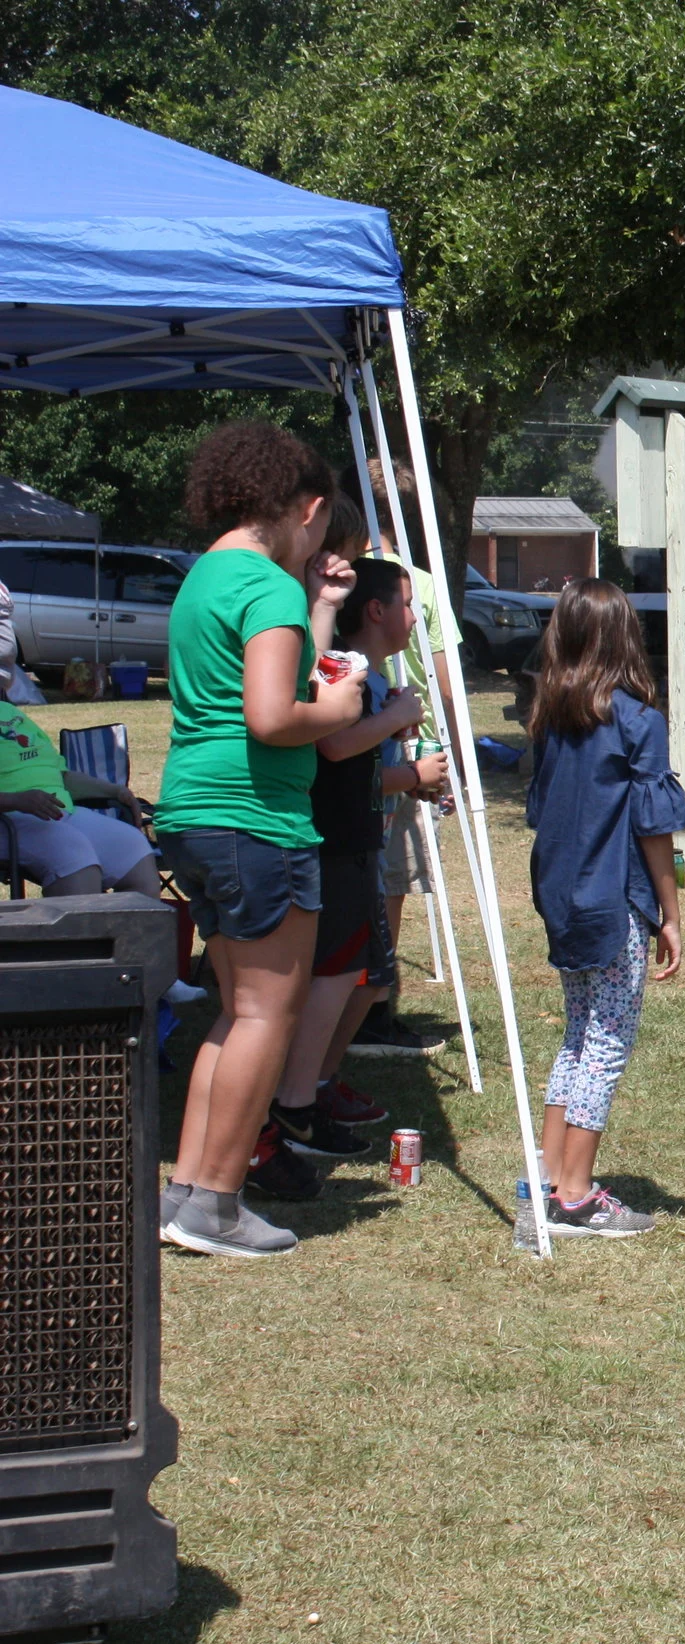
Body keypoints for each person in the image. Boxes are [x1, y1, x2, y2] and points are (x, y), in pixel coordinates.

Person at [156, 423, 363, 1258]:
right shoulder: (268, 585)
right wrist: (343, 711)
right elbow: (276, 715)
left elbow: (262, 683)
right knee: (266, 1019)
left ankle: (189, 1192)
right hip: (255, 821)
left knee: (235, 1015)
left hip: (195, 812)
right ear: (308, 508)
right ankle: (217, 1203)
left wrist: (318, 619)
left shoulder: (204, 576)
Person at [268, 545, 453, 1171]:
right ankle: (297, 1103)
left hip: (358, 843)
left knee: (367, 977)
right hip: (334, 842)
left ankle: (317, 1086)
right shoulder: (341, 667)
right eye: (407, 605)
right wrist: (399, 730)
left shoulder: (372, 678)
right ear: (375, 611)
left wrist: (402, 753)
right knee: (340, 976)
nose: (414, 617)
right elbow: (336, 748)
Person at [525, 579, 685, 1238]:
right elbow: (655, 829)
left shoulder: (551, 720)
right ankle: (574, 1194)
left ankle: (544, 1177)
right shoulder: (637, 720)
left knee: (576, 1034)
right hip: (611, 897)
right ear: (628, 637)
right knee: (605, 1044)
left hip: (561, 896)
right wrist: (669, 913)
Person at [352, 454, 455, 1061]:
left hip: (393, 742)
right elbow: (443, 682)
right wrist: (448, 753)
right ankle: (373, 1005)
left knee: (381, 875)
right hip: (403, 744)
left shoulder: (337, 578)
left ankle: (369, 997)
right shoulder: (413, 581)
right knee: (389, 880)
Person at [0, 700, 158, 896]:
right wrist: (15, 800)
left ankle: (128, 927)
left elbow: (61, 775)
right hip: (9, 818)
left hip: (57, 814)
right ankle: (74, 927)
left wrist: (116, 791)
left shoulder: (9, 711)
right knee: (72, 852)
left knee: (133, 847)